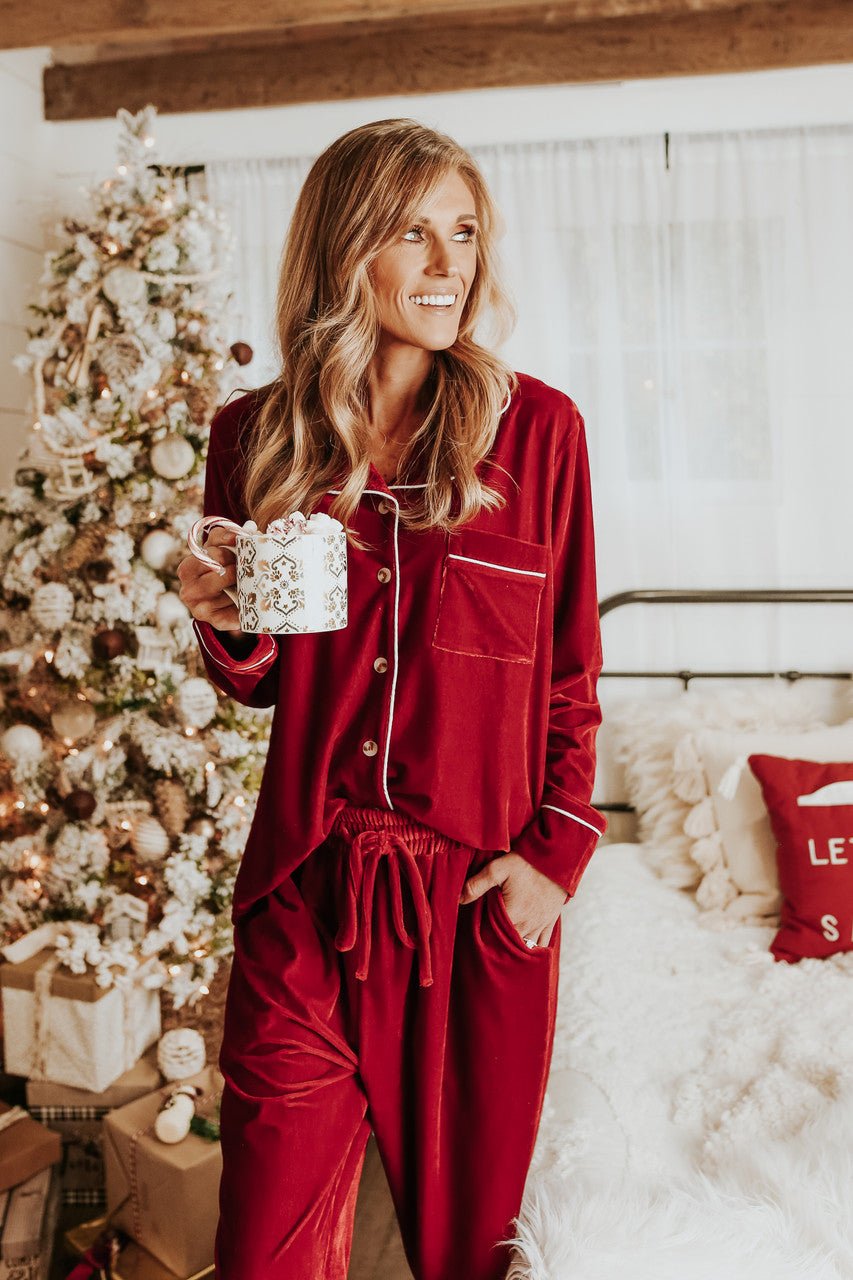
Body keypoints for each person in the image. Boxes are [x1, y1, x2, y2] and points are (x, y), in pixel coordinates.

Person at [177, 117, 607, 1280]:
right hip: (302, 890)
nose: (447, 262)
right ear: (344, 251)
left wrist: (551, 862)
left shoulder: (540, 433)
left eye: (463, 233)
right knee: (263, 1243)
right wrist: (227, 626)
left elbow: (571, 674)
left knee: (467, 1251)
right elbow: (262, 680)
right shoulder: (254, 435)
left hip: (471, 907)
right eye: (412, 232)